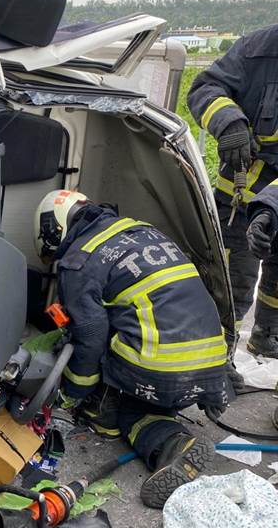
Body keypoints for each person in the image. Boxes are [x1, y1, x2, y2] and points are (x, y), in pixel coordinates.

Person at [34, 189, 229, 509]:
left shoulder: (78, 259)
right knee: (134, 336)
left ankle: (140, 423)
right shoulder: (142, 230)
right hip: (212, 359)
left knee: (116, 414)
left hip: (161, 366)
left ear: (53, 229)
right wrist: (220, 376)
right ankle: (179, 444)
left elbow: (91, 335)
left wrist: (74, 392)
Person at [187, 25, 278, 357]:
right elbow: (204, 88)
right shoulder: (258, 48)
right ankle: (217, 357)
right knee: (230, 283)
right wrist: (229, 122)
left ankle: (268, 334)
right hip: (240, 196)